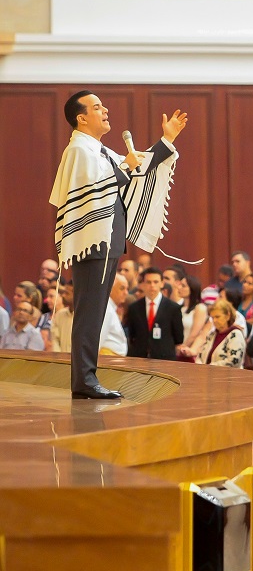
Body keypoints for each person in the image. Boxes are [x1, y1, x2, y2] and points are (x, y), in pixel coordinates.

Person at [49, 91, 187, 398]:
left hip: (107, 239)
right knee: (90, 311)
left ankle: (86, 379)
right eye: (97, 107)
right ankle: (85, 381)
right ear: (81, 117)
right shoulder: (78, 150)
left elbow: (134, 170)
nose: (105, 110)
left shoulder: (97, 149)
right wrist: (124, 166)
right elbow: (91, 188)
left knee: (97, 311)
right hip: (93, 240)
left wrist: (165, 142)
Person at [125, 267, 185, 360]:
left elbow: (178, 337)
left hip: (164, 359)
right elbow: (132, 334)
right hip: (139, 358)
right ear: (143, 284)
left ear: (162, 284)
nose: (152, 285)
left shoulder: (173, 308)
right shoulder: (134, 308)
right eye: (148, 282)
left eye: (155, 282)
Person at [196, 300, 247, 368]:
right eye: (212, 317)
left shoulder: (236, 335)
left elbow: (233, 361)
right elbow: (200, 355)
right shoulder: (211, 335)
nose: (214, 321)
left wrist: (209, 367)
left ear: (228, 316)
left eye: (217, 317)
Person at [98, 274, 129, 356]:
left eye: (127, 289)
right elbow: (99, 337)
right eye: (122, 288)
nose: (126, 293)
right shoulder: (106, 309)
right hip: (106, 357)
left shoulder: (110, 308)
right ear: (110, 289)